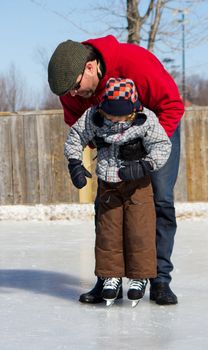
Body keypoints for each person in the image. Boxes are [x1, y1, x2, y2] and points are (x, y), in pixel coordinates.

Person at [48, 35, 184, 305]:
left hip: (156, 132)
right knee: (107, 205)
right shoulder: (72, 90)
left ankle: (159, 280)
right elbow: (77, 126)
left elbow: (172, 105)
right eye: (67, 93)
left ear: (90, 66)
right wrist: (82, 155)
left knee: (160, 200)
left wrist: (145, 151)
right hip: (110, 143)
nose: (73, 95)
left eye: (75, 87)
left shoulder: (135, 63)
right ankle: (107, 277)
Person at [64, 77, 172, 307]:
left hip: (138, 184)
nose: (113, 119)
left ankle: (139, 277)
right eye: (110, 114)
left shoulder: (146, 119)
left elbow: (162, 145)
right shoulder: (94, 116)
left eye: (119, 115)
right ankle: (109, 277)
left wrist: (146, 164)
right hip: (108, 184)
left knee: (139, 230)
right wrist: (75, 163)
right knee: (108, 232)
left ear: (133, 110)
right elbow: (76, 136)